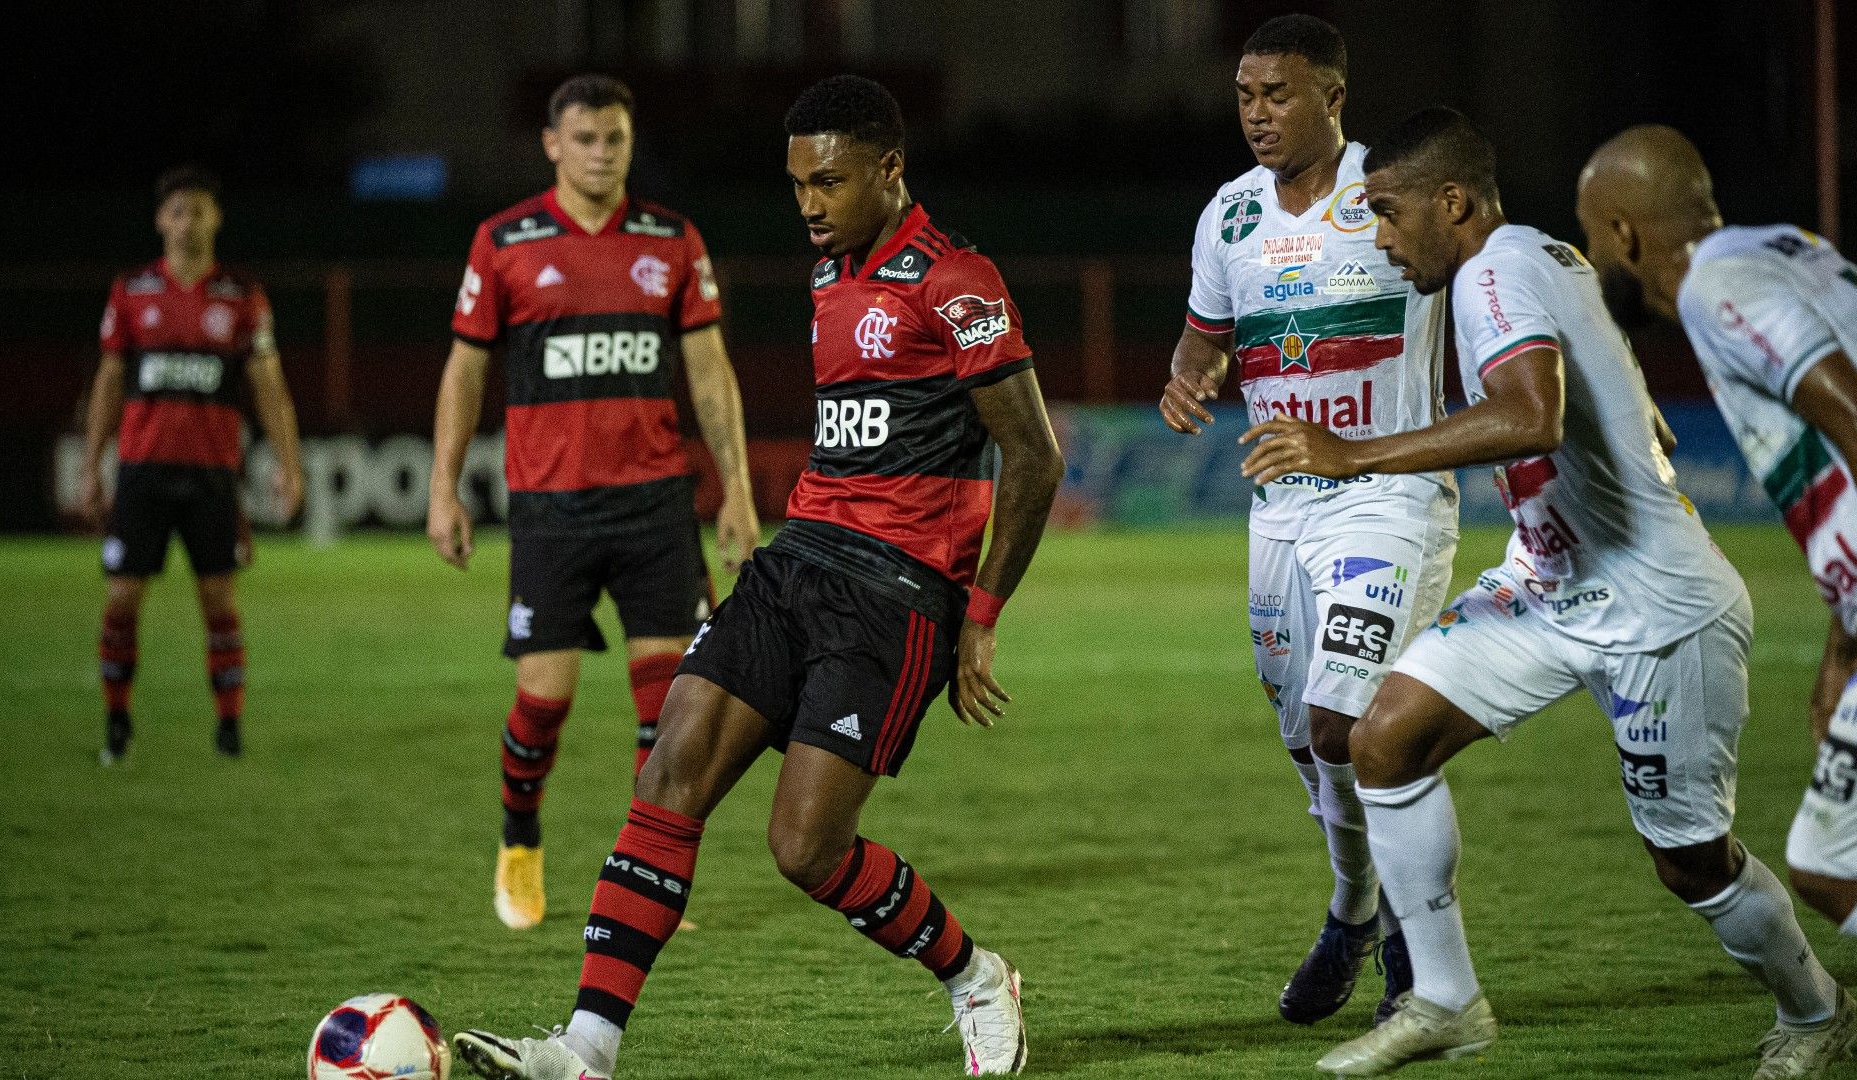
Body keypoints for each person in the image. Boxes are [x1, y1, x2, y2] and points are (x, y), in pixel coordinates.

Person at [452, 74, 1063, 1080]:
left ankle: (976, 977)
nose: (809, 205)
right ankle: (586, 1050)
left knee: (806, 850)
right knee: (668, 774)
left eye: (828, 182)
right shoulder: (828, 277)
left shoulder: (957, 281)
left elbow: (1033, 456)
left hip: (898, 595)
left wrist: (980, 618)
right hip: (795, 562)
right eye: (796, 186)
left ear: (890, 169)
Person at [1231, 108, 1857, 1078]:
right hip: (1551, 579)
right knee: (1384, 736)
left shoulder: (1495, 269)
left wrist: (1350, 451)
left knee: (1690, 858)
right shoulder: (1546, 260)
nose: (1382, 239)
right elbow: (1620, 393)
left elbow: (1532, 414)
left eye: (1391, 215)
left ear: (1454, 203)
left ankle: (1816, 1010)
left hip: (1659, 609)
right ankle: (1444, 999)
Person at [1160, 13, 1456, 1026]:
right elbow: (1203, 342)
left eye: (1278, 95)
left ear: (1334, 97)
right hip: (1280, 512)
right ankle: (1354, 907)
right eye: (1245, 97)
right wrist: (1185, 382)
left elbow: (1505, 287)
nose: (1257, 115)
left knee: (1351, 721)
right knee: (1308, 741)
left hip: (1389, 494)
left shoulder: (1394, 193)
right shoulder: (1229, 216)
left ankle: (1419, 949)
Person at [429, 74, 762, 932]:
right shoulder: (504, 241)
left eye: (615, 139)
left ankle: (644, 876)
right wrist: (445, 490)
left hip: (656, 505)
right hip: (552, 509)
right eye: (584, 139)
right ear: (552, 144)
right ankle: (519, 838)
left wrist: (735, 491)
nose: (602, 153)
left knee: (675, 712)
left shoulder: (671, 240)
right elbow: (466, 370)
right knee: (543, 703)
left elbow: (710, 372)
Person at [1578, 125, 1857, 954]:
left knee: (1829, 864)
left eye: (1590, 235)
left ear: (1626, 237)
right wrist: (1844, 648)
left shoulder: (1719, 286)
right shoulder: (1787, 251)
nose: (1590, 257)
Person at [80, 165, 304, 764]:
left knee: (220, 605)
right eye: (177, 211)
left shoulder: (241, 296)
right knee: (122, 601)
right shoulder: (131, 292)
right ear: (160, 220)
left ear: (217, 218)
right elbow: (107, 382)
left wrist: (290, 465)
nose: (187, 222)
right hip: (141, 473)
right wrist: (90, 463)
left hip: (212, 477)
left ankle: (229, 729)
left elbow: (270, 387)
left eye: (199, 210)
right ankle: (117, 721)